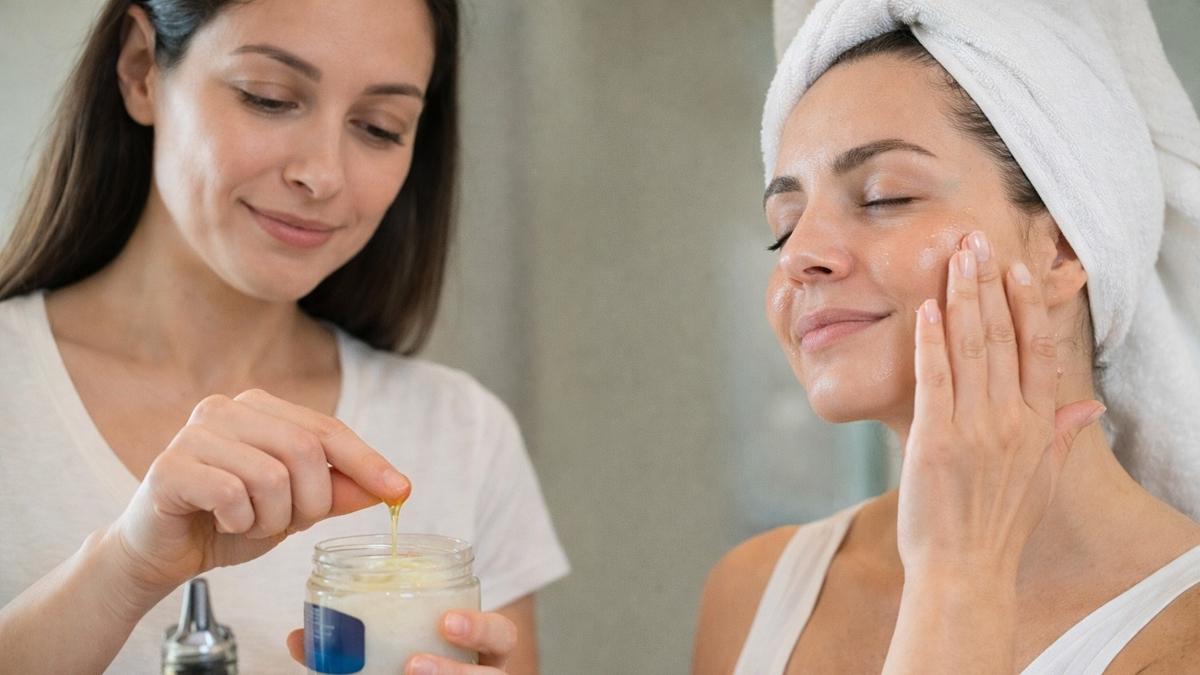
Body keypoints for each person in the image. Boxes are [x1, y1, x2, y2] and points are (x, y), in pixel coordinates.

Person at [0, 1, 568, 673]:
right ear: (140, 68)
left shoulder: (464, 435)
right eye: (268, 98)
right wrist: (126, 566)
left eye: (379, 128)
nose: (322, 175)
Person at [694, 0, 1200, 673]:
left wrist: (959, 574)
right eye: (783, 227)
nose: (798, 255)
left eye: (885, 196)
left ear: (1063, 246)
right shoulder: (753, 594)